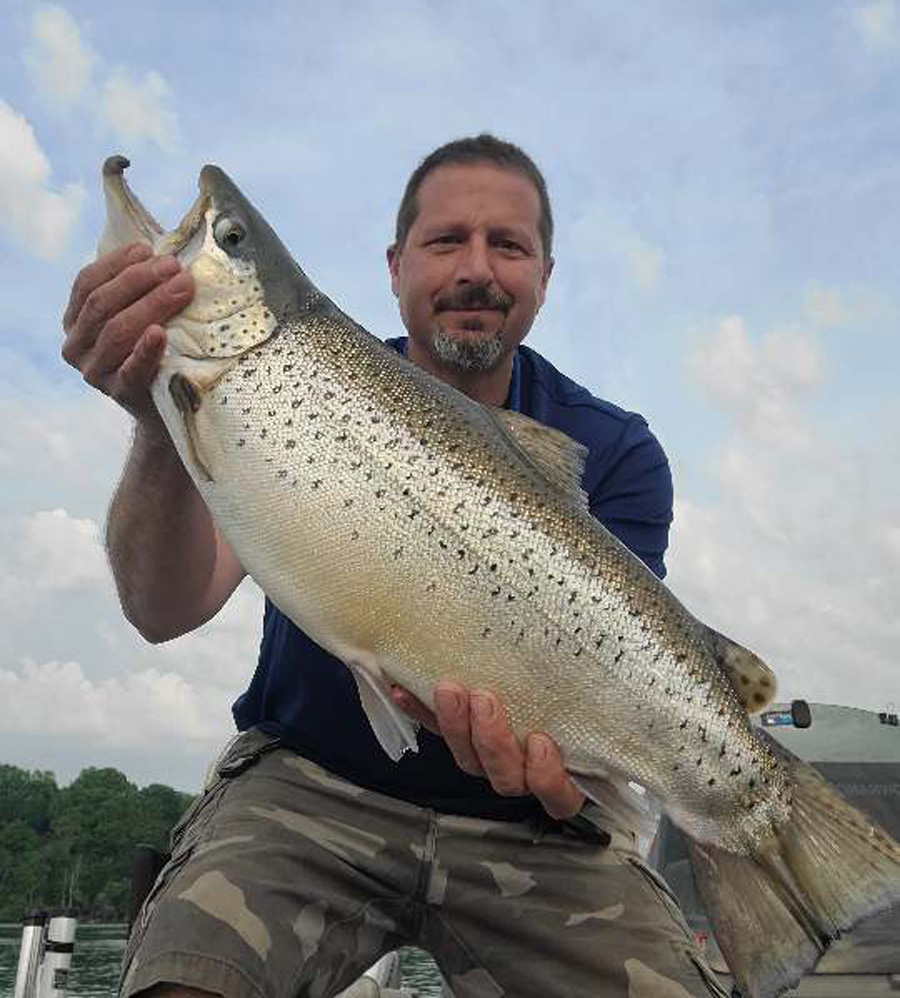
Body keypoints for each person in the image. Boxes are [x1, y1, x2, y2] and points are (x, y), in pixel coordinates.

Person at [62, 135, 727, 998]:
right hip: (305, 788)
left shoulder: (618, 449)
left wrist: (575, 782)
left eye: (509, 245)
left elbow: (612, 680)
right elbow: (162, 610)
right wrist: (160, 417)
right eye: (447, 241)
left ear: (545, 277)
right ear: (395, 265)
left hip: (533, 829)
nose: (477, 269)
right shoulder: (278, 386)